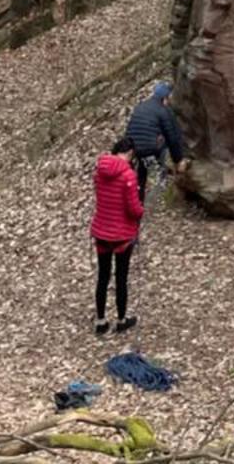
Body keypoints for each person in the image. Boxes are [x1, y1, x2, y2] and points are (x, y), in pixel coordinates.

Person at [91, 140, 142, 336]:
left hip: (101, 231)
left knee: (103, 276)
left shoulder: (100, 172)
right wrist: (141, 211)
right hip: (122, 234)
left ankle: (101, 321)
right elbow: (133, 209)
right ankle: (121, 319)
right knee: (121, 277)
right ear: (129, 153)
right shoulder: (128, 175)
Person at [124, 77, 185, 188]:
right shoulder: (163, 111)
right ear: (165, 98)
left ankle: (139, 196)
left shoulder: (140, 107)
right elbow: (173, 137)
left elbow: (130, 129)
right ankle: (161, 180)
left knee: (141, 176)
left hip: (133, 149)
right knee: (162, 145)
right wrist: (178, 160)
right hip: (151, 148)